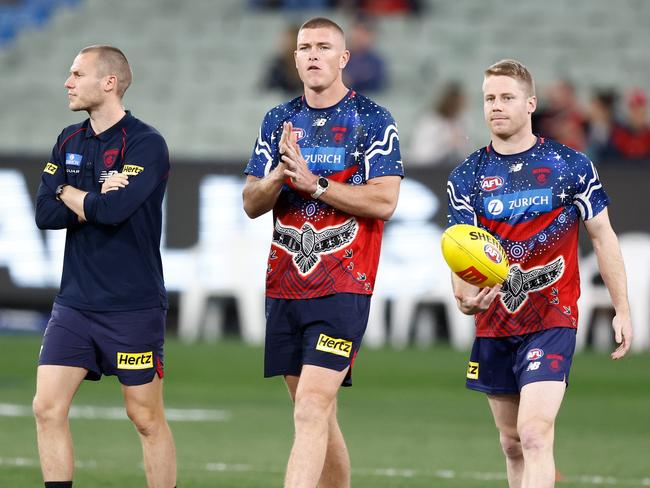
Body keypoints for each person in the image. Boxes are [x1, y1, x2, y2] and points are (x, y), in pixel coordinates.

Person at [446, 59, 633, 488]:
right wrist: (462, 296)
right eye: (490, 98)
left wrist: (622, 308)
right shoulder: (466, 176)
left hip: (552, 318)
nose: (496, 106)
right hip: (494, 322)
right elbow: (459, 250)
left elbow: (603, 236)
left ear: (530, 103)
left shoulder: (572, 165)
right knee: (511, 443)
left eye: (507, 97)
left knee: (533, 434)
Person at [242, 17, 402, 488]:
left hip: (343, 286)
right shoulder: (277, 120)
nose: (313, 54)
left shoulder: (373, 119)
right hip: (285, 285)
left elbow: (384, 201)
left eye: (324, 47)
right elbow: (251, 202)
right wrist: (276, 178)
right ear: (294, 58)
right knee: (316, 412)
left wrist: (317, 184)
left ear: (343, 58)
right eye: (304, 47)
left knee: (312, 405)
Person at [33, 45, 176, 488]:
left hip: (131, 306)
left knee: (145, 416)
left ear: (108, 82)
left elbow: (114, 211)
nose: (67, 82)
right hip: (74, 304)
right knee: (46, 407)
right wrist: (88, 195)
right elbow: (44, 212)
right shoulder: (68, 139)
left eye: (77, 73)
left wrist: (70, 192)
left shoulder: (147, 143)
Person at [407, 81, 471, 167]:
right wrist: (446, 142)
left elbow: (465, 151)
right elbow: (421, 153)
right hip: (427, 168)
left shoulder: (461, 122)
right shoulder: (430, 121)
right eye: (459, 103)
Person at [342, 16, 387, 93]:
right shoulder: (339, 57)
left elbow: (376, 85)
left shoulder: (376, 61)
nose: (358, 36)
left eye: (364, 33)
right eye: (356, 31)